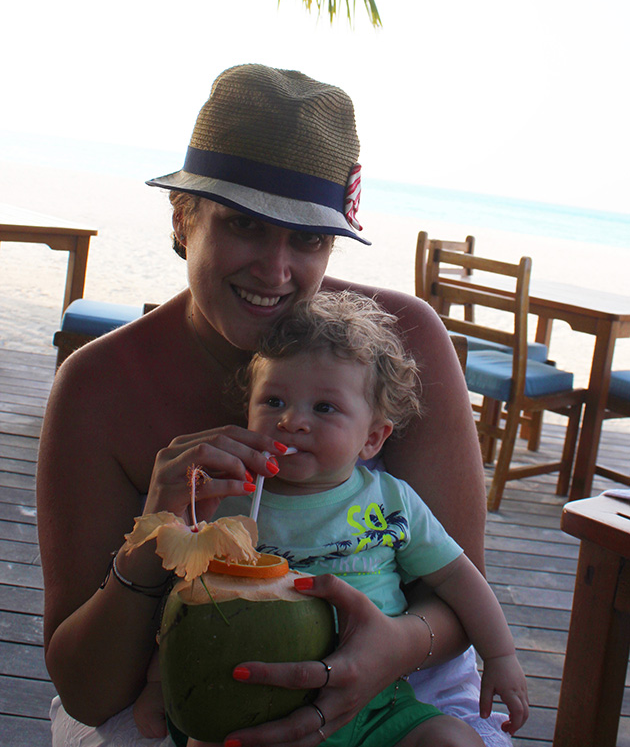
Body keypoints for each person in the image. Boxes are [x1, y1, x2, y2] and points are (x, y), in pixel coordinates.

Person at [38, 63, 510, 747]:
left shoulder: (400, 343)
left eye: (308, 238)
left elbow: (459, 590)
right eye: (244, 224)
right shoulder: (98, 385)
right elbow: (88, 691)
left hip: (401, 687)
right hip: (183, 691)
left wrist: (390, 649)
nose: (275, 269)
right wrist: (152, 539)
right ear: (183, 217)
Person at [133, 291, 529, 746]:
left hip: (375, 703)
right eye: (273, 401)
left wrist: (500, 655)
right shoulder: (228, 500)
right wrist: (159, 684)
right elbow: (186, 597)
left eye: (324, 408)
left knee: (451, 740)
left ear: (373, 439)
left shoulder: (390, 502)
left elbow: (458, 576)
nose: (292, 421)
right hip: (251, 705)